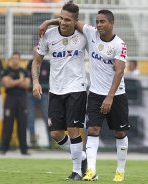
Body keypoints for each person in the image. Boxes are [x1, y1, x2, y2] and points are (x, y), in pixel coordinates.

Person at [39, 8, 129, 182]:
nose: (99, 25)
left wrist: (110, 97)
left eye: (102, 22)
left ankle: (120, 170)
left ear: (111, 23)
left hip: (116, 95)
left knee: (120, 133)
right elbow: (67, 21)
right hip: (95, 93)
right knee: (93, 130)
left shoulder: (119, 44)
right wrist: (48, 22)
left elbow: (119, 72)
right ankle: (91, 171)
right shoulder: (90, 33)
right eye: (97, 21)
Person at [32, 2, 88, 180]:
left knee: (73, 130)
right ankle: (82, 157)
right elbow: (37, 61)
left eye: (68, 20)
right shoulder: (47, 36)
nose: (63, 22)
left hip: (76, 88)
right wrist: (35, 82)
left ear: (75, 21)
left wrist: (49, 21)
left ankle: (77, 171)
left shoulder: (84, 36)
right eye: (61, 18)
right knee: (56, 134)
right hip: (56, 90)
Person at [1, 52, 30, 155]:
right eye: (13, 58)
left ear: (20, 60)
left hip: (22, 100)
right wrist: (19, 81)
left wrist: (14, 82)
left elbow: (26, 85)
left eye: (17, 58)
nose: (15, 60)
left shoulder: (24, 71)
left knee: (22, 124)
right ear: (11, 60)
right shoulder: (6, 71)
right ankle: (4, 148)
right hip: (10, 99)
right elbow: (7, 84)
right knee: (7, 124)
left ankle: (24, 149)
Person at [26, 46, 51, 147]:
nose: (35, 54)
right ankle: (33, 140)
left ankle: (52, 141)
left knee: (47, 117)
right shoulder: (29, 64)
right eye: (33, 52)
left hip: (44, 94)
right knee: (30, 117)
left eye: (37, 52)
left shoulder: (47, 65)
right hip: (31, 94)